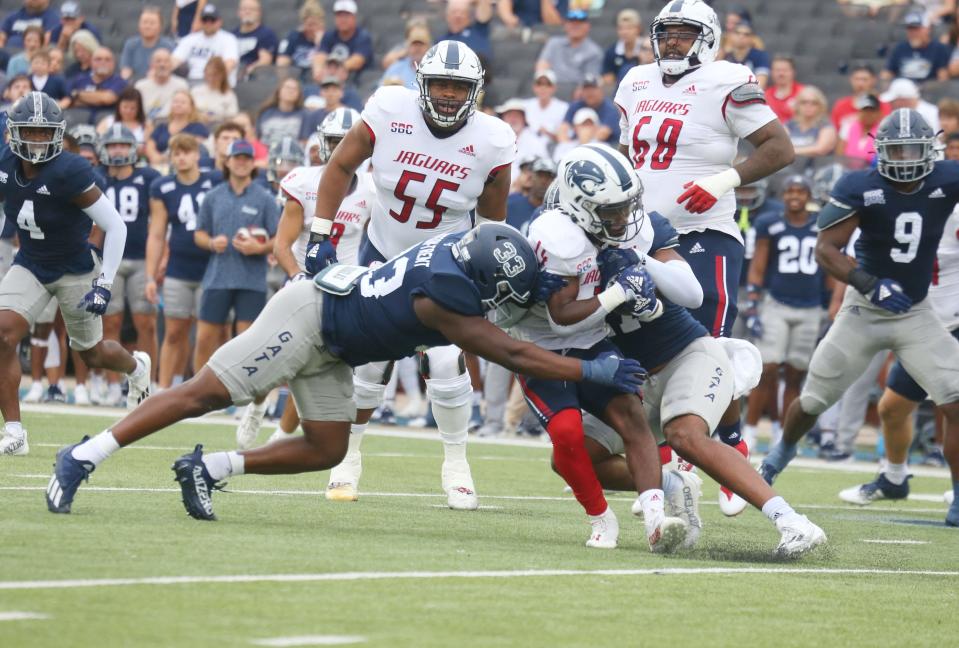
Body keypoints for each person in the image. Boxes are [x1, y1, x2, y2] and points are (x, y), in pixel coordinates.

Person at [45, 222, 646, 521]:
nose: (503, 300)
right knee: (203, 393)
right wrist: (591, 370)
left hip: (339, 346)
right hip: (308, 318)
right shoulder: (444, 296)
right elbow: (513, 354)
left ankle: (207, 467)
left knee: (327, 447)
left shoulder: (458, 249)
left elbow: (505, 285)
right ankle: (85, 454)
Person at [303, 41, 515, 509]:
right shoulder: (388, 108)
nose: (446, 94)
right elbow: (340, 164)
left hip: (444, 259)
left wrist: (490, 280)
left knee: (443, 362)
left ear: (474, 92)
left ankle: (456, 463)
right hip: (383, 249)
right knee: (369, 360)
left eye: (457, 87)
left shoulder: (494, 140)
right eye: (439, 83)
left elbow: (492, 224)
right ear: (421, 83)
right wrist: (320, 233)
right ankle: (348, 457)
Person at [614, 0, 794, 515]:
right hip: (643, 233)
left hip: (705, 231)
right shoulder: (635, 82)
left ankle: (726, 449)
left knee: (704, 345)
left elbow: (780, 148)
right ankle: (680, 459)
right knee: (648, 344)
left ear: (707, 37)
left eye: (684, 33)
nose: (672, 42)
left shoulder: (727, 79)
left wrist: (724, 179)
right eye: (666, 33)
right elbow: (632, 158)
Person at [760, 110, 959, 532]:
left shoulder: (947, 178)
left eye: (913, 150)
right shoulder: (860, 185)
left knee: (955, 401)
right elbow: (826, 250)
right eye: (896, 150)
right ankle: (781, 452)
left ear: (931, 150)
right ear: (879, 151)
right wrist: (869, 283)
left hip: (916, 312)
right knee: (813, 400)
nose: (904, 160)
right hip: (864, 310)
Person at [509, 144, 689, 551]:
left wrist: (642, 293)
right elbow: (562, 316)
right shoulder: (557, 235)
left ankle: (657, 518)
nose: (624, 219)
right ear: (580, 206)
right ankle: (601, 518)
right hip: (544, 349)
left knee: (631, 416)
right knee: (568, 434)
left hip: (592, 341)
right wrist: (620, 293)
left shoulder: (619, 227)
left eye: (627, 207)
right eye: (612, 212)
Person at [0, 92, 151, 456]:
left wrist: (104, 284)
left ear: (57, 134)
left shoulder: (70, 171)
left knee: (92, 355)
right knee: (3, 334)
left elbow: (115, 227)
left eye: (43, 133)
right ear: (13, 132)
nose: (36, 140)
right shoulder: (5, 163)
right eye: (29, 132)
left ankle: (135, 366)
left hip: (75, 269)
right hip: (31, 263)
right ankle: (15, 431)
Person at [238, 107, 372, 448]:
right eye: (334, 141)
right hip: (303, 283)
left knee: (313, 364)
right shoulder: (304, 181)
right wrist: (297, 276)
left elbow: (377, 239)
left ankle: (282, 434)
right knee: (271, 354)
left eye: (346, 141)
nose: (341, 148)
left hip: (344, 288)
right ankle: (256, 406)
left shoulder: (372, 188)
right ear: (322, 144)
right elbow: (282, 244)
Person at [837, 198, 959, 523]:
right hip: (925, 323)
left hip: (953, 321)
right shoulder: (908, 204)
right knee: (892, 409)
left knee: (953, 409)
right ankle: (893, 477)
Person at [743, 175, 825, 457]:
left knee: (794, 374)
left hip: (811, 306)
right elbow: (758, 264)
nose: (794, 196)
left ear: (809, 196)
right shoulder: (770, 223)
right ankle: (750, 431)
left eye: (800, 191)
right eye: (789, 190)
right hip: (776, 303)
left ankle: (783, 432)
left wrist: (831, 303)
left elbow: (829, 265)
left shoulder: (820, 225)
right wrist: (754, 301)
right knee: (767, 369)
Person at [191, 139, 278, 371]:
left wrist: (259, 248)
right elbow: (198, 233)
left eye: (246, 159)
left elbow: (280, 238)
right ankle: (197, 395)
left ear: (253, 164)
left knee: (247, 343)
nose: (241, 163)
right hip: (218, 276)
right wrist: (211, 242)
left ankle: (244, 398)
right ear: (227, 162)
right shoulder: (213, 196)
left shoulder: (266, 198)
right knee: (204, 339)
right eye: (237, 158)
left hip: (252, 280)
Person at [145, 133, 215, 391]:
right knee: (174, 331)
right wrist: (151, 276)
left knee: (207, 335)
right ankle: (164, 389)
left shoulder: (214, 181)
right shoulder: (163, 187)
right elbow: (156, 233)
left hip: (212, 268)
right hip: (179, 268)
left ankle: (204, 390)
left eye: (186, 152)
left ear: (197, 154)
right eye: (176, 153)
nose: (181, 157)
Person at [98, 124, 162, 403]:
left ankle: (149, 381)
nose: (118, 149)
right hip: (107, 259)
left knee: (145, 323)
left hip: (139, 257)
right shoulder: (98, 178)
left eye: (123, 144)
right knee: (109, 322)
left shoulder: (148, 177)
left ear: (134, 148)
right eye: (112, 145)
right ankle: (113, 385)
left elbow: (160, 224)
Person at [171, 3, 239, 87]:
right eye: (205, 20)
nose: (208, 23)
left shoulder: (228, 39)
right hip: (190, 81)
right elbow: (174, 60)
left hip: (217, 83)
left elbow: (229, 64)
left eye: (212, 20)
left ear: (220, 21)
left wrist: (213, 81)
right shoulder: (190, 39)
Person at [535, 9, 603, 86]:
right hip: (551, 88)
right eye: (572, 23)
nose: (575, 26)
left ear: (588, 26)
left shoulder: (593, 51)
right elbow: (542, 66)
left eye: (579, 23)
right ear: (565, 25)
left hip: (576, 93)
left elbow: (590, 79)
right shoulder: (553, 43)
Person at [883, 11, 951, 85]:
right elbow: (887, 74)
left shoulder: (939, 49)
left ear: (927, 29)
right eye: (909, 29)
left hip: (929, 92)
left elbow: (942, 79)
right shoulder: (899, 48)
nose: (912, 33)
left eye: (916, 29)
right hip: (902, 90)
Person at [145, 89, 208, 166]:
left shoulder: (198, 127)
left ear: (191, 107)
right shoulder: (161, 126)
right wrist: (154, 156)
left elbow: (196, 148)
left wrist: (169, 158)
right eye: (175, 102)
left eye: (183, 102)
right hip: (160, 165)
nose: (178, 104)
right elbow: (150, 145)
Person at [63, 46, 126, 122]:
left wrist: (78, 94)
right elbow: (69, 101)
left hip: (105, 124)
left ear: (113, 63)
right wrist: (97, 98)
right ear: (91, 62)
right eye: (98, 59)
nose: (103, 63)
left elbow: (107, 98)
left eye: (107, 60)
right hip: (79, 124)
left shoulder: (119, 81)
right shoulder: (79, 79)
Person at [313, 0, 373, 79]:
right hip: (333, 78)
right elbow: (321, 55)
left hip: (357, 79)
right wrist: (318, 70)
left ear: (354, 17)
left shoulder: (363, 37)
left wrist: (335, 70)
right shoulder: (329, 35)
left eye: (346, 16)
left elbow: (357, 60)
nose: (343, 19)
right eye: (339, 15)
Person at [559, 74, 619, 145]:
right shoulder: (576, 105)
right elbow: (563, 129)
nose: (589, 92)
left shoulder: (610, 109)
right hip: (577, 145)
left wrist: (582, 141)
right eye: (586, 89)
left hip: (606, 147)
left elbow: (602, 134)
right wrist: (566, 145)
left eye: (593, 88)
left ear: (601, 90)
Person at [119, 5, 175, 81]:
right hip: (135, 84)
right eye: (144, 22)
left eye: (152, 23)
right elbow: (125, 70)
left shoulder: (168, 45)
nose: (147, 26)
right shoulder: (131, 44)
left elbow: (171, 69)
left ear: (160, 26)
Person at [786, 85, 838, 161]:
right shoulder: (789, 124)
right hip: (791, 168)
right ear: (797, 105)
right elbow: (780, 147)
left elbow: (820, 149)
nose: (808, 106)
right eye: (804, 102)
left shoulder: (826, 126)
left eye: (814, 103)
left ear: (821, 106)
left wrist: (790, 151)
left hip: (817, 168)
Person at [830, 64, 890, 130]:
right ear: (851, 80)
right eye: (857, 79)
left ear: (873, 80)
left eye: (864, 79)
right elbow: (835, 129)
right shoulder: (841, 105)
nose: (860, 84)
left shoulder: (882, 106)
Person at [95, 87, 148, 158]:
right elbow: (97, 141)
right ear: (118, 106)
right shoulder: (107, 121)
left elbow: (147, 147)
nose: (128, 111)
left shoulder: (146, 125)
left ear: (139, 109)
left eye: (133, 108)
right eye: (125, 107)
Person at [276, 0, 324, 79]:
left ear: (321, 24)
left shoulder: (327, 39)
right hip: (296, 78)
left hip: (317, 80)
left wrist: (319, 43)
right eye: (309, 25)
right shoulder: (293, 37)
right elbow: (281, 63)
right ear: (303, 24)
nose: (312, 28)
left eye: (315, 24)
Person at [523, 70, 567, 151]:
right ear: (534, 87)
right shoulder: (524, 106)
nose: (543, 88)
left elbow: (565, 138)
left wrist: (547, 132)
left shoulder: (564, 108)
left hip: (553, 149)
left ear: (554, 88)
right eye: (539, 84)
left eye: (548, 84)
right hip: (526, 148)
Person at [232, 0, 277, 79]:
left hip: (253, 78)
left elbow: (265, 60)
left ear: (259, 13)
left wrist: (246, 71)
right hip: (231, 75)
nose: (247, 12)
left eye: (252, 9)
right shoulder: (231, 35)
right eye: (244, 9)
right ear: (238, 12)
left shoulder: (266, 34)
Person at [379, 23, 431, 91]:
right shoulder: (396, 68)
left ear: (428, 47)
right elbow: (380, 93)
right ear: (408, 47)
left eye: (421, 44)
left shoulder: (436, 70)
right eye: (414, 44)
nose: (417, 48)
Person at [255, 77, 305, 145]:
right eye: (287, 87)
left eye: (295, 89)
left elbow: (305, 141)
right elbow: (258, 138)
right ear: (279, 91)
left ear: (299, 94)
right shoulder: (265, 113)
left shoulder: (304, 115)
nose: (291, 91)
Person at [836, 93, 882, 167]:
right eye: (865, 110)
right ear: (859, 112)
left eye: (872, 111)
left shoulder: (883, 131)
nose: (868, 114)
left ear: (879, 113)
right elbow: (839, 155)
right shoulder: (848, 126)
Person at [190, 55, 239, 124]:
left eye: (215, 75)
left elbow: (232, 118)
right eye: (208, 75)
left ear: (222, 75)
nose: (211, 79)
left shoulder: (229, 95)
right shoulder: (195, 91)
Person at [601, 9, 643, 88]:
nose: (625, 32)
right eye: (621, 28)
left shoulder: (647, 48)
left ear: (638, 29)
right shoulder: (611, 51)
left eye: (629, 28)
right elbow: (607, 78)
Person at [723, 20, 770, 89]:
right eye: (737, 33)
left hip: (749, 97)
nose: (741, 36)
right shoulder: (724, 55)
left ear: (752, 38)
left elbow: (759, 86)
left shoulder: (760, 56)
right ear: (731, 35)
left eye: (746, 34)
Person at [765, 55, 803, 123]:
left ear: (793, 72)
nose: (781, 74)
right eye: (777, 70)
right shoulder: (765, 96)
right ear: (771, 72)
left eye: (785, 70)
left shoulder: (803, 93)